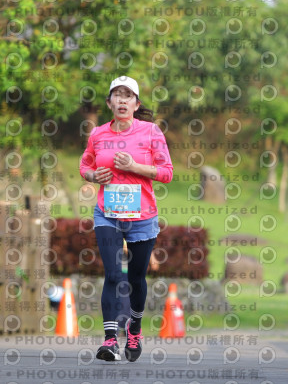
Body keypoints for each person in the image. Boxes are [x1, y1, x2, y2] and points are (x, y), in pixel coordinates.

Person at [79, 75, 173, 362]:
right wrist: (93, 176)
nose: (122, 100)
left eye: (128, 95)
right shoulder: (98, 134)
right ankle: (110, 340)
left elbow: (166, 173)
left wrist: (135, 166)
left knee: (136, 278)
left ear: (136, 104)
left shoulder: (151, 132)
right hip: (107, 213)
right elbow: (85, 165)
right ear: (109, 103)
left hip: (142, 216)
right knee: (112, 274)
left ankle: (135, 328)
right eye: (117, 95)